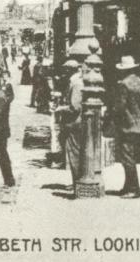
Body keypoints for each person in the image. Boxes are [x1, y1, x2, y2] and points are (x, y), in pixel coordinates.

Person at [112, 55, 140, 198]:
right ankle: (128, 186)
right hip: (139, 124)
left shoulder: (123, 84)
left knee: (127, 157)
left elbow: (120, 106)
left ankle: (134, 188)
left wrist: (112, 116)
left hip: (127, 125)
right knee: (132, 156)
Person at [56, 59, 83, 196]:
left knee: (74, 154)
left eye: (65, 70)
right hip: (75, 123)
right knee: (74, 153)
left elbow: (75, 107)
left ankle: (77, 184)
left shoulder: (75, 82)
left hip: (74, 123)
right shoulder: (76, 80)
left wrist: (61, 108)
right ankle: (75, 183)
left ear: (69, 70)